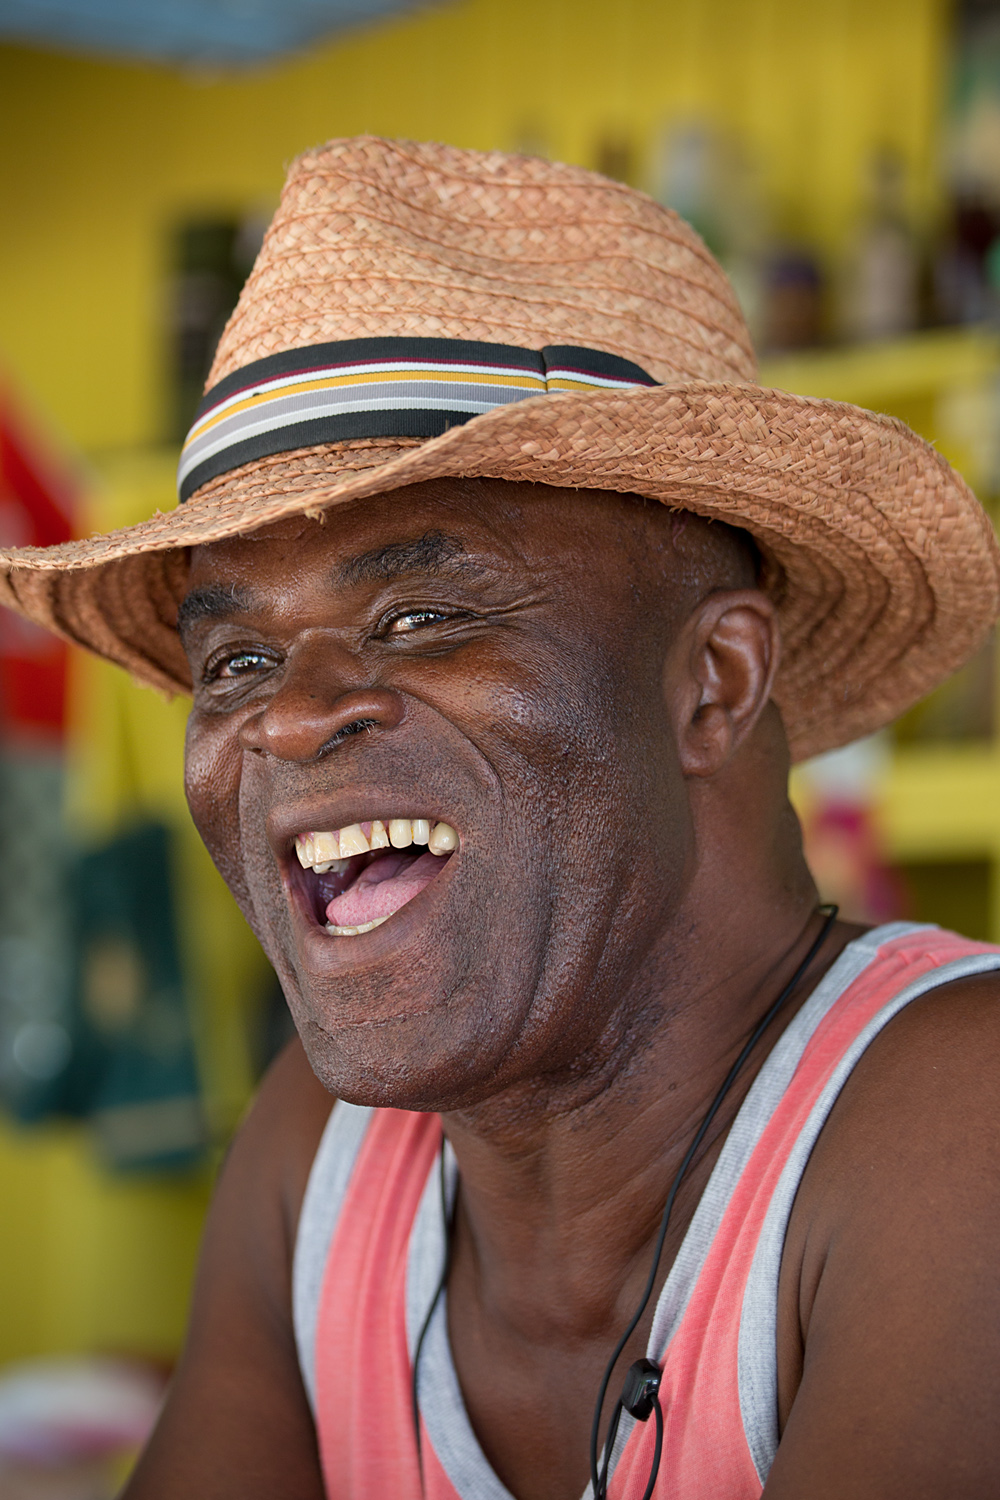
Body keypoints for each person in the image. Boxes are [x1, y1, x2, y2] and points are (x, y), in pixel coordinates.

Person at [4, 137, 1000, 1500]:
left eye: (421, 616)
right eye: (233, 661)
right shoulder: (323, 1162)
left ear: (711, 683)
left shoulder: (961, 1121)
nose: (286, 719)